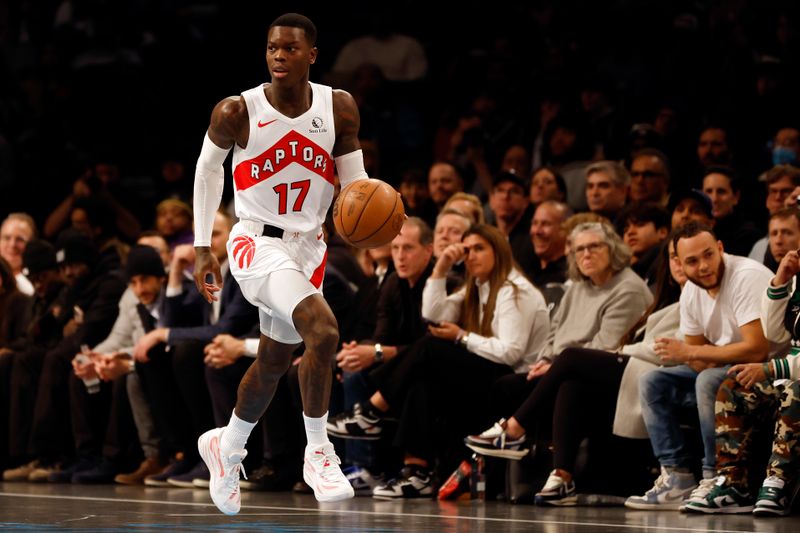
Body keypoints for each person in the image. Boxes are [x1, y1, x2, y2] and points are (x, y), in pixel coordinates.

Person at [191, 13, 374, 512]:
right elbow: (208, 170)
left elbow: (353, 182)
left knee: (273, 361)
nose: (278, 55)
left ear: (311, 55)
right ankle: (319, 450)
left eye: (290, 49)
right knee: (325, 331)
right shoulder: (237, 110)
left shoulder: (339, 107)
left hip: (309, 246)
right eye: (272, 47)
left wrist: (370, 211)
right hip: (255, 241)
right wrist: (203, 244)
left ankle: (226, 446)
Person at [327, 224, 551, 498]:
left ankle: (373, 411)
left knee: (432, 348)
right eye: (467, 251)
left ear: (500, 251)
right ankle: (416, 472)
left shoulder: (515, 290)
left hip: (516, 382)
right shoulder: (477, 285)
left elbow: (510, 352)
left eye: (480, 249)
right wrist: (442, 266)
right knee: (422, 376)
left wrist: (462, 337)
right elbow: (432, 315)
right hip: (491, 374)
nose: (471, 256)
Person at [467, 237, 686, 505]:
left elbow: (664, 348)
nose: (680, 263)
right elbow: (555, 330)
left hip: (652, 369)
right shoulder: (665, 297)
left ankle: (513, 430)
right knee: (569, 384)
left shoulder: (644, 290)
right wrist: (548, 359)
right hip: (634, 363)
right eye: (674, 257)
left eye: (595, 246)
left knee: (570, 359)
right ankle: (562, 477)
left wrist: (623, 351)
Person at [624, 222, 774, 511]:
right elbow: (700, 358)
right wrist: (688, 354)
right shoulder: (692, 291)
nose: (703, 266)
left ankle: (717, 475)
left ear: (720, 248)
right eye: (692, 261)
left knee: (708, 380)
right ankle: (677, 477)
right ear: (678, 265)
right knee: (652, 380)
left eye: (708, 255)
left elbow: (757, 348)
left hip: (768, 369)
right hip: (729, 368)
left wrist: (690, 352)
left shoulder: (745, 276)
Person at [682, 247, 800, 515]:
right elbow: (774, 332)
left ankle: (779, 481)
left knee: (796, 390)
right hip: (792, 369)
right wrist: (780, 284)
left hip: (794, 376)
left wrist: (772, 369)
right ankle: (734, 485)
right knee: (734, 385)